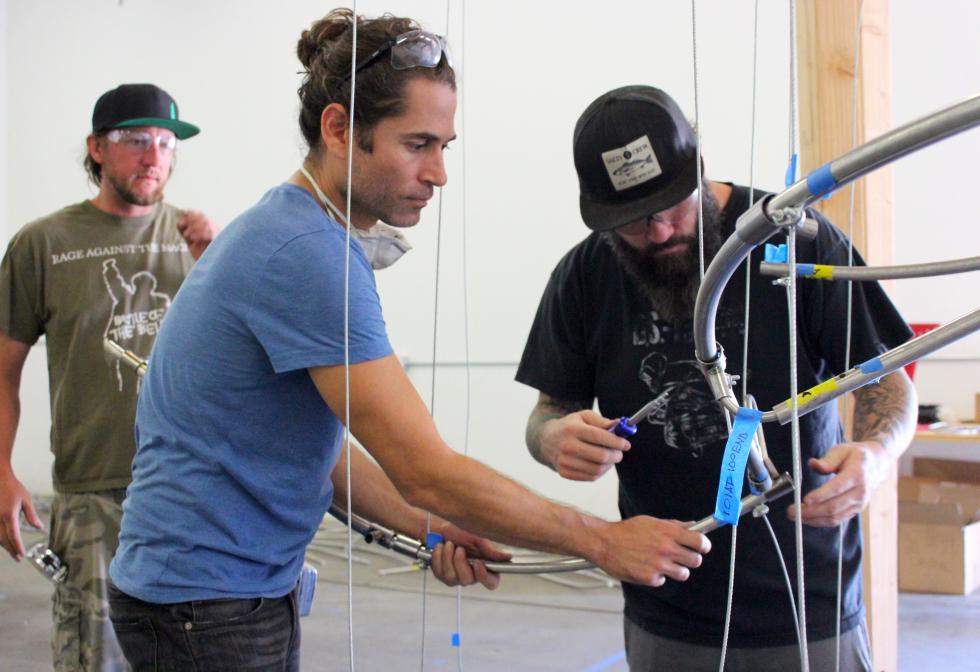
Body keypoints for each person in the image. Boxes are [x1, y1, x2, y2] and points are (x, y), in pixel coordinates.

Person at [105, 11, 711, 671]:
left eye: (445, 145)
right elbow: (423, 468)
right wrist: (601, 540)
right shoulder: (308, 255)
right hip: (206, 608)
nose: (439, 173)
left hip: (213, 597)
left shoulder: (295, 231)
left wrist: (432, 524)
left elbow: (324, 456)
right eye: (418, 144)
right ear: (339, 129)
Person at [517, 85, 917, 672]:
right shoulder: (585, 274)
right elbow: (548, 413)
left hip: (809, 602)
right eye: (631, 222)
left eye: (670, 209)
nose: (656, 234)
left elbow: (888, 380)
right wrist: (552, 439)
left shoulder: (793, 239)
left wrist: (877, 456)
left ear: (697, 168)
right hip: (668, 606)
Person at [0, 83, 217, 671]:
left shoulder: (199, 244)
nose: (153, 157)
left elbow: (239, 362)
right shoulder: (43, 245)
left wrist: (211, 267)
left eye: (166, 143)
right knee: (95, 660)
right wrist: (1, 473)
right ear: (97, 148)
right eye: (136, 140)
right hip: (92, 492)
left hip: (188, 492)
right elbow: (3, 373)